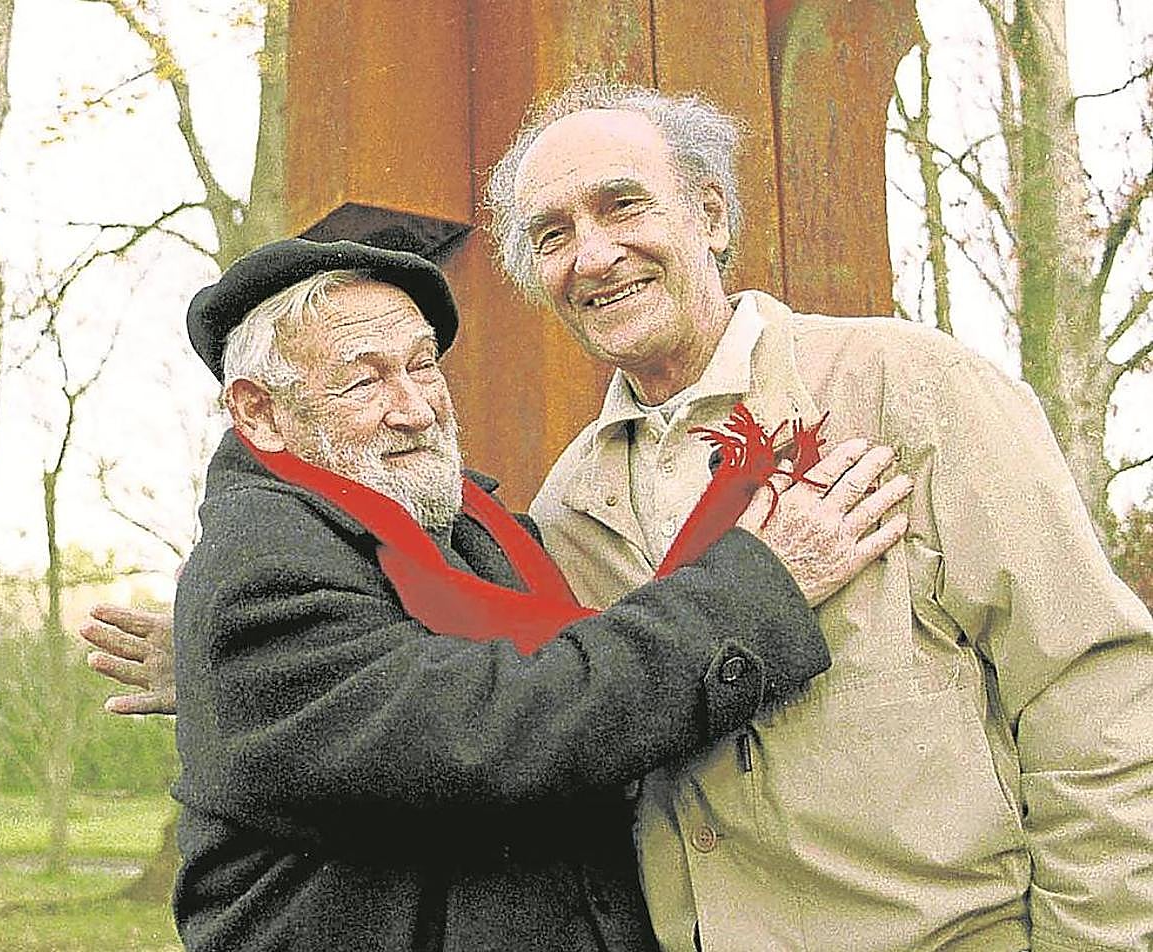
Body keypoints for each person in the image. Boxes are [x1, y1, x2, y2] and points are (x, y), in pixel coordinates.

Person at [477, 80, 1153, 951]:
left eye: (623, 206)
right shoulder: (568, 507)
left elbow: (1093, 696)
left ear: (711, 216)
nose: (593, 256)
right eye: (553, 235)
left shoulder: (909, 388)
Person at [119, 236, 909, 952]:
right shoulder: (259, 570)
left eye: (424, 365)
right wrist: (761, 588)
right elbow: (494, 729)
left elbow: (560, 654)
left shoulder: (472, 528)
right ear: (259, 413)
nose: (416, 409)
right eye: (363, 381)